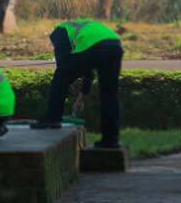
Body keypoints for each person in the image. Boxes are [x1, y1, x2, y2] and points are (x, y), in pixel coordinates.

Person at [31, 19, 124, 149]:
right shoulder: (84, 28)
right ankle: (111, 140)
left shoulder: (59, 31)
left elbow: (63, 65)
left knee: (60, 77)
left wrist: (65, 82)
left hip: (94, 48)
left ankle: (52, 119)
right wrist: (81, 98)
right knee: (109, 94)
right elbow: (88, 72)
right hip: (115, 45)